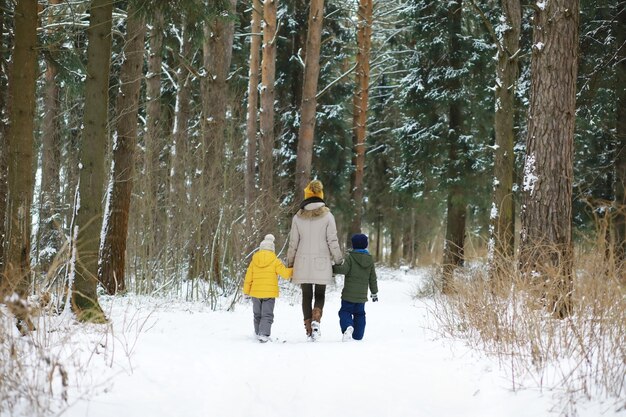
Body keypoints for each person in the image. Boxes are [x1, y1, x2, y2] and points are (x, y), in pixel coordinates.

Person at [287, 180, 343, 341]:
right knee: (320, 293)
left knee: (306, 295)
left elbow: (293, 243)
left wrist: (290, 262)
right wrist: (338, 260)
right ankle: (316, 320)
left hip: (302, 261)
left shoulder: (298, 217)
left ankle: (308, 329)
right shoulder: (328, 216)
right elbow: (332, 241)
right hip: (322, 261)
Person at [243, 234, 293, 343]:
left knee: (257, 314)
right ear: (272, 249)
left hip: (255, 293)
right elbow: (285, 274)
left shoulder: (254, 261)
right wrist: (294, 269)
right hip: (269, 294)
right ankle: (264, 334)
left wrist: (246, 292)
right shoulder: (275, 261)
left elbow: (248, 278)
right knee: (267, 314)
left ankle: (257, 333)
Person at [332, 233, 378, 342]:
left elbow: (344, 270)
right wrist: (374, 292)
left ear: (353, 245)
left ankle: (347, 327)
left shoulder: (351, 257)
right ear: (365, 245)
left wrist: (333, 268)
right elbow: (373, 278)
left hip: (348, 295)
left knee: (345, 312)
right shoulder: (369, 260)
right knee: (360, 314)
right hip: (361, 297)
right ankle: (358, 335)